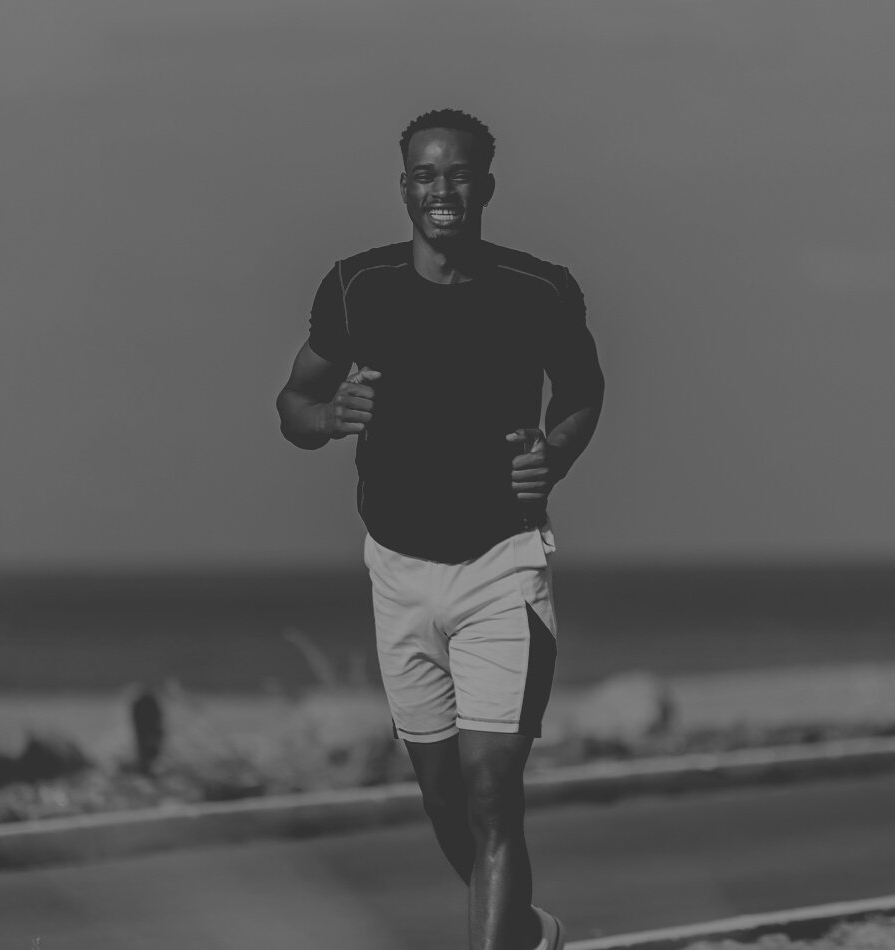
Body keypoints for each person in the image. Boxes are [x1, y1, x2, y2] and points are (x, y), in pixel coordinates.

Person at [275, 108, 604, 950]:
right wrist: (331, 415)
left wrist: (552, 457)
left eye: (457, 174)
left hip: (501, 566)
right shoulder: (357, 286)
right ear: (405, 189)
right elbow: (294, 405)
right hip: (396, 571)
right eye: (425, 175)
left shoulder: (541, 290)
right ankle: (530, 935)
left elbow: (581, 394)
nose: (441, 190)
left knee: (494, 794)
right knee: (444, 799)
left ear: (485, 186)